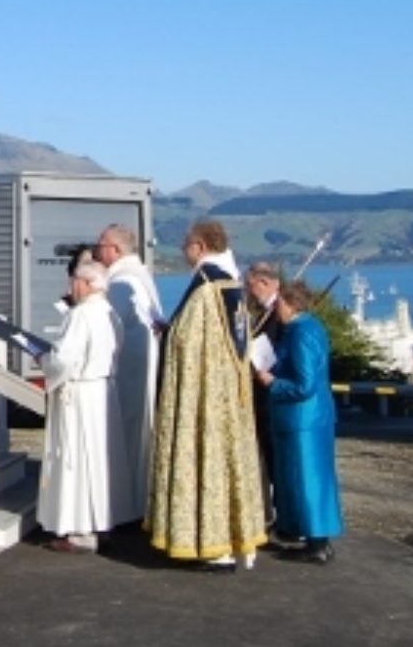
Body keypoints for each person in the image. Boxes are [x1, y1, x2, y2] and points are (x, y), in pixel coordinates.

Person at [147, 220, 265, 570]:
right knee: (225, 462)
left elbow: (189, 342)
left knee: (204, 460)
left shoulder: (205, 287)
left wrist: (169, 334)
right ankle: (228, 540)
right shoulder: (232, 285)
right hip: (229, 397)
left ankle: (211, 546)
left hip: (204, 395)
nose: (184, 250)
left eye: (186, 243)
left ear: (199, 246)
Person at [37, 260, 133, 553]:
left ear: (86, 284)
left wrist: (45, 362)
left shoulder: (81, 314)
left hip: (80, 394)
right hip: (104, 390)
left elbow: (65, 359)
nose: (70, 287)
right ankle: (101, 520)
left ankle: (79, 529)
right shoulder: (110, 314)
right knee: (102, 462)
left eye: (74, 281)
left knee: (76, 460)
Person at [254, 280, 344, 564]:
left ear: (289, 303)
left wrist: (272, 382)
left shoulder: (301, 332)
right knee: (300, 477)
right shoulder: (306, 328)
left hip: (302, 418)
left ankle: (317, 542)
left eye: (279, 302)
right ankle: (307, 534)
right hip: (305, 418)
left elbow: (304, 383)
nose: (275, 308)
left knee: (308, 479)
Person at [95, 223, 162, 515]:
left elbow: (109, 325)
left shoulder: (122, 282)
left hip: (128, 369)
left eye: (102, 245)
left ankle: (127, 504)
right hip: (141, 363)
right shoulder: (140, 275)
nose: (98, 250)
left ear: (116, 250)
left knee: (128, 434)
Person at [245, 261, 287, 535]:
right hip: (262, 390)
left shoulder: (278, 312)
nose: (249, 293)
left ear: (264, 283)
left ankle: (281, 514)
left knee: (276, 456)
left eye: (250, 286)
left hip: (270, 387)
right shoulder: (264, 312)